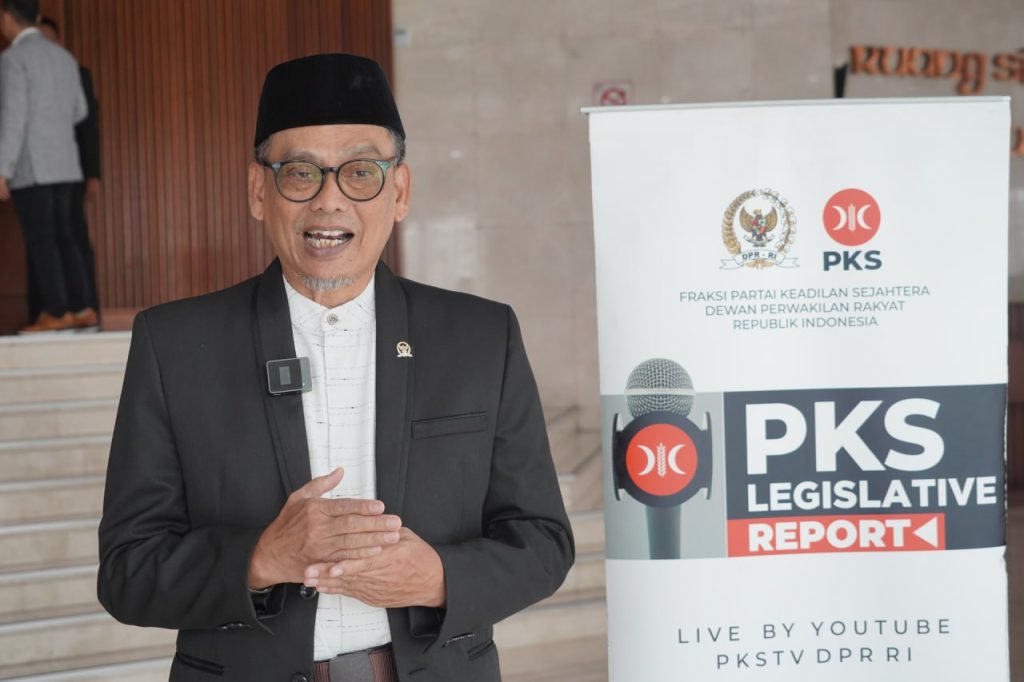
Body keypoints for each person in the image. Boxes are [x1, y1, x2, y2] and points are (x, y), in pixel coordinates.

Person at [97, 53, 574, 682]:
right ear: (258, 191)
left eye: (360, 173)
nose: (330, 201)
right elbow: (127, 572)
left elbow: (543, 542)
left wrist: (437, 577)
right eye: (300, 173)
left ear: (399, 191)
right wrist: (262, 558)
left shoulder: (480, 337)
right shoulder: (176, 344)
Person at [0, 0, 95, 333]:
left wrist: (3, 168)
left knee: (42, 239)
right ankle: (82, 307)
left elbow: (13, 117)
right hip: (65, 163)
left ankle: (55, 310)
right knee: (66, 237)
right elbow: (80, 110)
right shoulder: (64, 57)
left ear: (7, 17)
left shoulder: (13, 59)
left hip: (34, 166)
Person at [34, 15, 102, 327]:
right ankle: (48, 309)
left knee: (72, 235)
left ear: (59, 42)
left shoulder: (74, 71)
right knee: (41, 239)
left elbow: (88, 126)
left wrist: (93, 173)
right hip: (37, 171)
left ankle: (85, 307)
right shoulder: (29, 71)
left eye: (48, 39)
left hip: (69, 170)